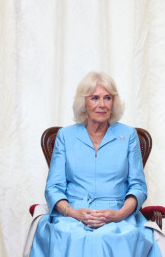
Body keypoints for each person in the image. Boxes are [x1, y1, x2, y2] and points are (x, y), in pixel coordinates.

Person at [29, 72, 162, 257]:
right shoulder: (65, 136)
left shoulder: (129, 135)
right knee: (71, 235)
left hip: (118, 216)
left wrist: (119, 214)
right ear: (84, 103)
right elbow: (53, 188)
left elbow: (138, 187)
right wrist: (74, 213)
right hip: (73, 214)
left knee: (108, 237)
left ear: (113, 103)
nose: (102, 104)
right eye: (95, 98)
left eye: (107, 98)